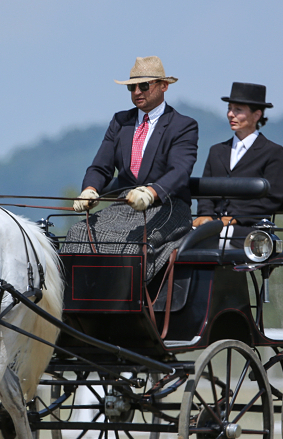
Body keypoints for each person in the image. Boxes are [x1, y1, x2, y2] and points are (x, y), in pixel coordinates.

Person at [62, 56, 198, 282]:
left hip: (167, 206)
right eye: (132, 87)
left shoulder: (183, 125)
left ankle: (123, 308)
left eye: (144, 85)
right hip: (123, 206)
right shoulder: (120, 121)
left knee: (134, 243)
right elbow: (100, 166)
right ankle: (73, 306)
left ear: (163, 86)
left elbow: (180, 170)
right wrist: (89, 189)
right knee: (77, 234)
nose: (137, 92)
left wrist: (151, 192)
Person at [194, 82, 283, 246]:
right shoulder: (217, 151)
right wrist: (205, 215)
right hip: (214, 226)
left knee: (205, 240)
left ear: (257, 115)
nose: (230, 114)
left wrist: (236, 218)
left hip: (248, 230)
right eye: (229, 109)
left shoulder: (272, 152)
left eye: (238, 110)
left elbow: (272, 198)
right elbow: (205, 192)